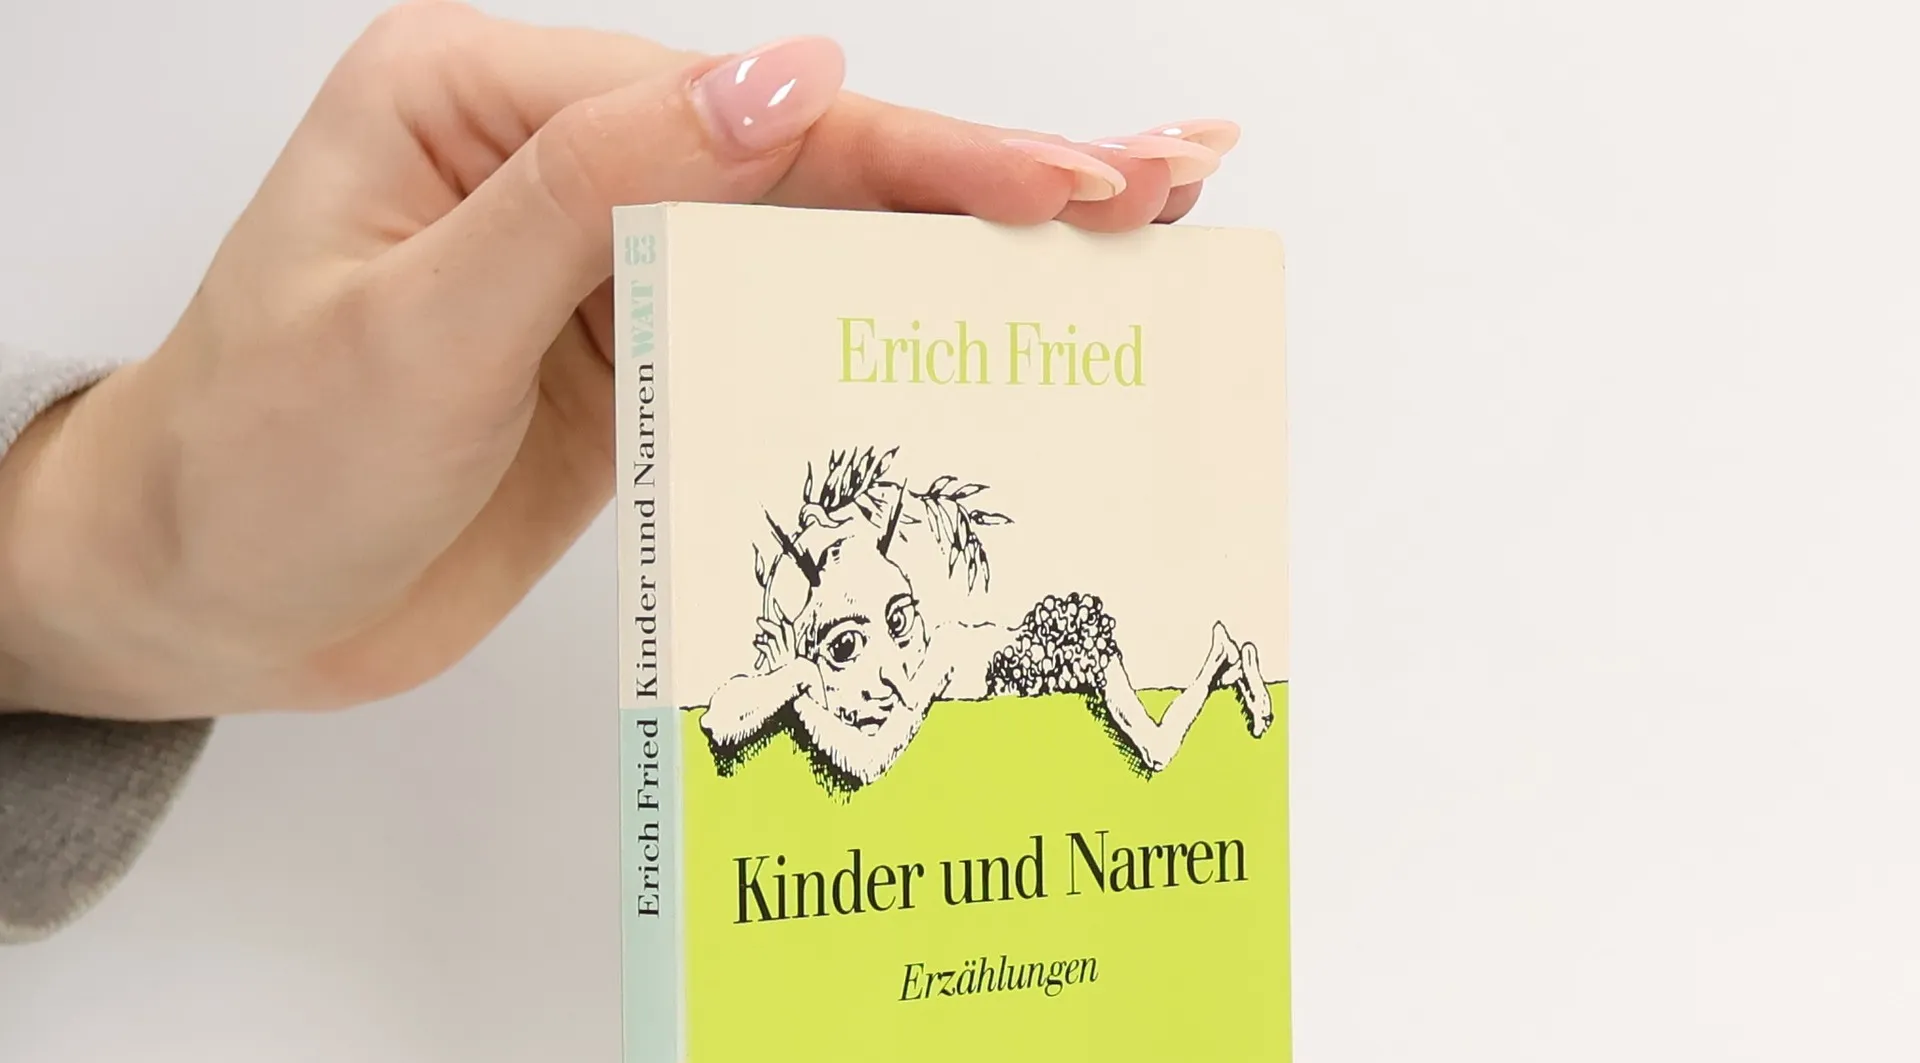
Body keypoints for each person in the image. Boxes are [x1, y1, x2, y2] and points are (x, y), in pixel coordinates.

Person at [0, 6, 1240, 942]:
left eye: (888, 630)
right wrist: (123, 551)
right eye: (840, 641)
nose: (867, 671)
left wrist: (112, 562)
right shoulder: (808, 688)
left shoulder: (985, 661)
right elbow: (752, 716)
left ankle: (1215, 674)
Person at [703, 449, 1273, 785]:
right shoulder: (918, 657)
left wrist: (800, 686)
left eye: (898, 623)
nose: (887, 677)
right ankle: (1225, 659)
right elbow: (719, 720)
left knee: (1156, 750)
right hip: (1045, 644)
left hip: (1070, 650)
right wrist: (796, 678)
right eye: (847, 648)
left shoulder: (941, 659)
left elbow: (870, 762)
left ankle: (1218, 660)